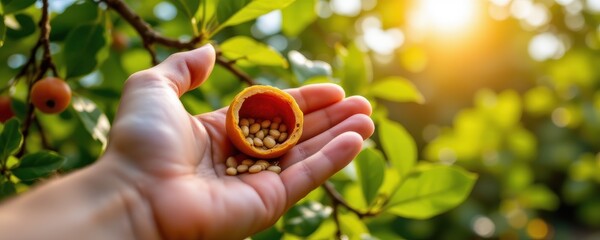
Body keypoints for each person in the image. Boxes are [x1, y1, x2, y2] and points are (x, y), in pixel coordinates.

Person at [0, 45, 374, 239]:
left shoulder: (263, 143)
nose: (268, 130)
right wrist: (137, 200)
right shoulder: (237, 149)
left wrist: (136, 208)